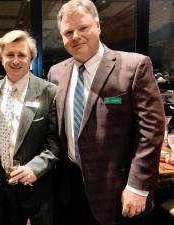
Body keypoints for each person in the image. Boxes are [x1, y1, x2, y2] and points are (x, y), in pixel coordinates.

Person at [47, 1, 165, 225]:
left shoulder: (134, 66)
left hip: (118, 190)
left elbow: (152, 131)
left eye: (83, 28)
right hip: (70, 188)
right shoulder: (56, 73)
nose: (75, 36)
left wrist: (138, 186)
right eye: (68, 32)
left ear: (98, 26)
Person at [0, 30, 60, 225]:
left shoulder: (48, 92)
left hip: (38, 186)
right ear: (0, 57)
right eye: (10, 55)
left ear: (31, 58)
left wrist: (34, 169)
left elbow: (55, 141)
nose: (16, 60)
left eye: (22, 55)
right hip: (3, 189)